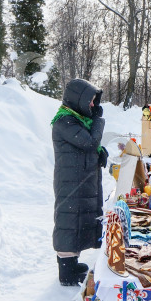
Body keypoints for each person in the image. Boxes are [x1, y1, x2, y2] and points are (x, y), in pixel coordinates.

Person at [51, 78, 107, 286]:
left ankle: (72, 263)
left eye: (94, 101)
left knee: (78, 219)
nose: (93, 105)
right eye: (90, 101)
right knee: (69, 220)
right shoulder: (64, 121)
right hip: (70, 181)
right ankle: (66, 272)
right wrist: (99, 121)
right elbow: (90, 142)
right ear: (78, 100)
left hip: (78, 180)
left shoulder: (76, 121)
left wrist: (100, 154)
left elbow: (88, 146)